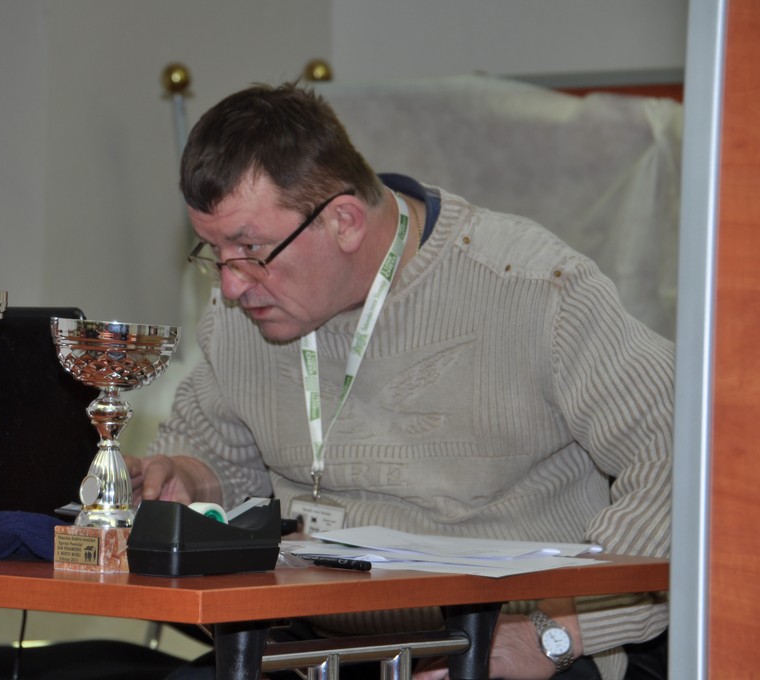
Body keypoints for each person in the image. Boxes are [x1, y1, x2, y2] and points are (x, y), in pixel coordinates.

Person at [126, 82, 672, 680]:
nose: (231, 285)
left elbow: (688, 461)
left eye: (250, 249)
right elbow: (219, 460)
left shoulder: (535, 291)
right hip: (308, 643)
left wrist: (557, 631)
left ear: (344, 222)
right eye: (214, 251)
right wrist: (190, 480)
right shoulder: (241, 317)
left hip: (496, 645)